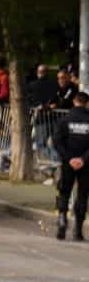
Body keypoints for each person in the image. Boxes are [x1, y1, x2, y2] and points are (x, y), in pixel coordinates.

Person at [55, 89, 89, 241]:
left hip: (68, 163)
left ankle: (62, 221)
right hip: (86, 164)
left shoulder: (65, 119)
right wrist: (83, 159)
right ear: (87, 104)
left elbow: (57, 142)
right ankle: (78, 230)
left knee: (64, 191)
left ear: (74, 101)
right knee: (82, 195)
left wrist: (69, 159)